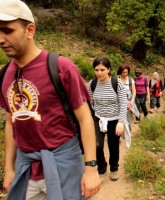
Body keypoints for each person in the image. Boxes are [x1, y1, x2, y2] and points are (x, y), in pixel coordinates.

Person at [0, 0, 100, 199]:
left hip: (64, 166)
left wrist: (91, 168)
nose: (1, 39)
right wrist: (9, 168)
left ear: (30, 30)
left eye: (7, 31)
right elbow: (12, 122)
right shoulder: (4, 75)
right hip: (25, 168)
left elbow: (85, 119)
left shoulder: (61, 67)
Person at [88, 57, 127, 182]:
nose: (99, 73)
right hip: (98, 119)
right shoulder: (92, 84)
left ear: (109, 69)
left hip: (114, 120)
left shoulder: (117, 83)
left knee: (113, 145)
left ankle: (114, 168)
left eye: (102, 70)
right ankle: (102, 167)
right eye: (96, 70)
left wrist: (121, 122)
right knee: (97, 145)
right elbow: (89, 101)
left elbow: (123, 103)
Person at [117, 64, 139, 131]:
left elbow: (134, 91)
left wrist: (132, 100)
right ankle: (119, 135)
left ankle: (128, 133)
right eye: (123, 72)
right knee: (119, 119)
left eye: (126, 72)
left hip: (129, 102)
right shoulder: (116, 80)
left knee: (128, 118)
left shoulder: (130, 80)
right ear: (120, 71)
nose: (125, 74)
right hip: (119, 102)